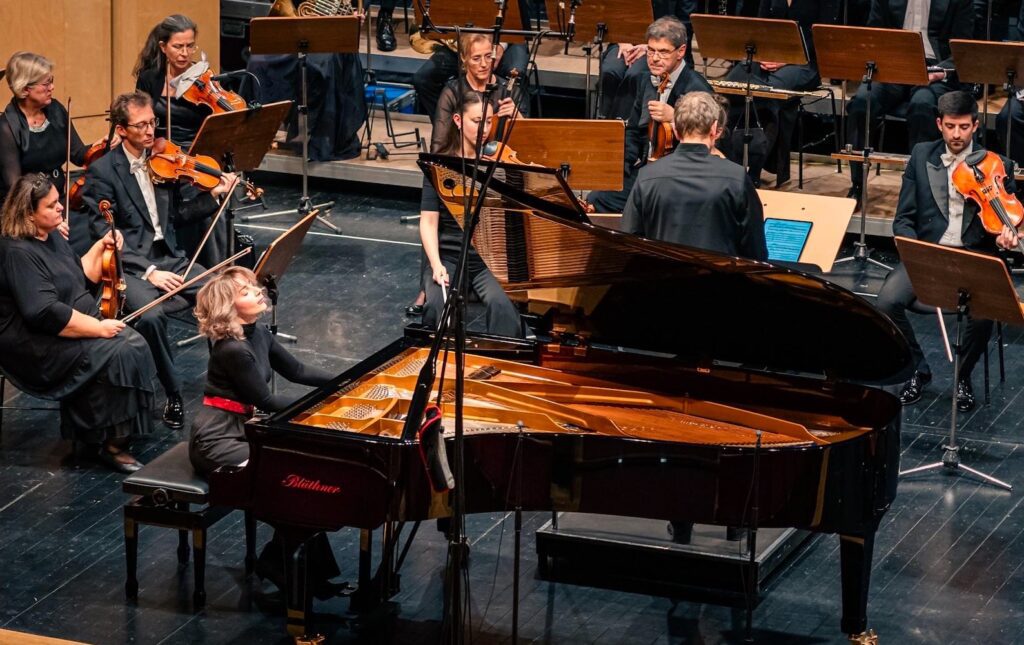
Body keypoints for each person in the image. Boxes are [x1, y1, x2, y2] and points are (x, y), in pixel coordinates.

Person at [83, 91, 236, 431]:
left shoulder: (162, 162)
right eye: (141, 126)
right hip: (132, 266)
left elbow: (178, 217)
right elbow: (104, 234)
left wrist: (212, 197)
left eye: (153, 122)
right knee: (150, 317)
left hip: (170, 257)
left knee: (220, 294)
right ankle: (173, 393)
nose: (151, 131)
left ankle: (228, 385)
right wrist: (150, 272)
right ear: (122, 130)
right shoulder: (103, 172)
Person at [188, 267, 344, 598]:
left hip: (244, 429)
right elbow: (267, 400)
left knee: (304, 483)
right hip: (218, 439)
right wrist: (321, 408)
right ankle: (282, 565)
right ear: (229, 307)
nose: (259, 292)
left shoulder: (257, 333)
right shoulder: (232, 348)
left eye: (254, 287)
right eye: (246, 292)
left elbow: (297, 370)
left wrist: (343, 383)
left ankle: (290, 566)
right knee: (289, 486)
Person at [0, 173, 157, 473]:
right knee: (117, 350)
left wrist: (101, 247)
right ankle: (107, 443)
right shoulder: (17, 253)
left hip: (67, 323)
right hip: (34, 342)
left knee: (132, 341)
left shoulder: (52, 235)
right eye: (52, 205)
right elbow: (42, 312)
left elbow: (77, 276)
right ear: (29, 213)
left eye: (59, 201)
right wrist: (96, 327)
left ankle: (107, 434)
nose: (61, 209)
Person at [877, 91, 1011, 411]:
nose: (956, 134)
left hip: (973, 256)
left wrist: (1006, 237)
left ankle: (962, 377)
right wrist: (914, 250)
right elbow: (903, 220)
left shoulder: (997, 165)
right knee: (885, 303)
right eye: (950, 126)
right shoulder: (922, 156)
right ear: (939, 124)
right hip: (928, 254)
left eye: (964, 127)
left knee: (982, 316)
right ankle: (917, 370)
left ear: (975, 126)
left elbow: (1003, 226)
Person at [419, 91, 524, 338]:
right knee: (437, 306)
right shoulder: (439, 165)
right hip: (450, 258)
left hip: (487, 260)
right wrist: (436, 265)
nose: (485, 129)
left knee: (503, 306)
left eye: (488, 121)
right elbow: (429, 221)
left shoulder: (496, 162)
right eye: (477, 122)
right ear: (457, 120)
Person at [846, 0, 973, 200]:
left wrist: (939, 72)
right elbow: (874, 34)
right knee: (863, 102)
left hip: (935, 69)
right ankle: (857, 184)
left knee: (922, 104)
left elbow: (963, 46)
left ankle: (920, 190)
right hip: (894, 65)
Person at [622, 91, 768, 260]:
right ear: (714, 129)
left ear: (675, 130)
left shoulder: (647, 176)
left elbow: (630, 240)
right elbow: (755, 249)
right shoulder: (736, 177)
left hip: (663, 282)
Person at [589, 16, 713, 214]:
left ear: (681, 51)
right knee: (596, 199)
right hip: (648, 171)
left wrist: (676, 117)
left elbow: (710, 143)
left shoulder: (698, 89)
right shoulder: (647, 80)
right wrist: (620, 169)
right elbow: (634, 131)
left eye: (663, 52)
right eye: (651, 50)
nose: (655, 58)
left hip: (681, 177)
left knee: (638, 207)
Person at [0, 52, 113, 251]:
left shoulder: (56, 110)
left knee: (96, 231)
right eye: (45, 84)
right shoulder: (6, 128)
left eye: (51, 81)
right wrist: (46, 219)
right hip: (29, 212)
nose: (52, 87)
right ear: (25, 89)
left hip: (60, 201)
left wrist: (103, 145)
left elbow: (78, 154)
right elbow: (15, 189)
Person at [720, 0, 839, 187]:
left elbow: (824, 36)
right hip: (767, 56)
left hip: (806, 64)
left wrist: (786, 59)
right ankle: (729, 161)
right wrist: (765, 54)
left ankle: (755, 170)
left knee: (767, 93)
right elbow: (760, 26)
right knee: (731, 85)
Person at [429, 33, 529, 156]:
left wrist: (518, 117)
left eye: (488, 56)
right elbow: (439, 145)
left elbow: (528, 145)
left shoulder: (510, 91)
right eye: (476, 58)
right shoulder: (453, 92)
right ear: (464, 57)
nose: (484, 64)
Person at [599, 0, 697, 121]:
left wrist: (650, 47)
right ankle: (603, 123)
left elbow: (685, 26)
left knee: (635, 75)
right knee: (610, 71)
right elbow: (613, 11)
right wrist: (622, 40)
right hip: (625, 40)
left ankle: (625, 125)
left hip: (662, 47)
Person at [411, 22, 530, 121]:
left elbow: (514, 21)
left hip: (508, 38)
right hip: (467, 41)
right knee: (423, 79)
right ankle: (448, 128)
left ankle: (521, 125)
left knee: (516, 74)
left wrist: (500, 45)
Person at [133, 15, 210, 149]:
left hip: (198, 152)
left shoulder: (204, 76)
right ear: (163, 47)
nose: (185, 53)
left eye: (190, 46)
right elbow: (140, 122)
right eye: (178, 46)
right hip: (160, 152)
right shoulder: (149, 78)